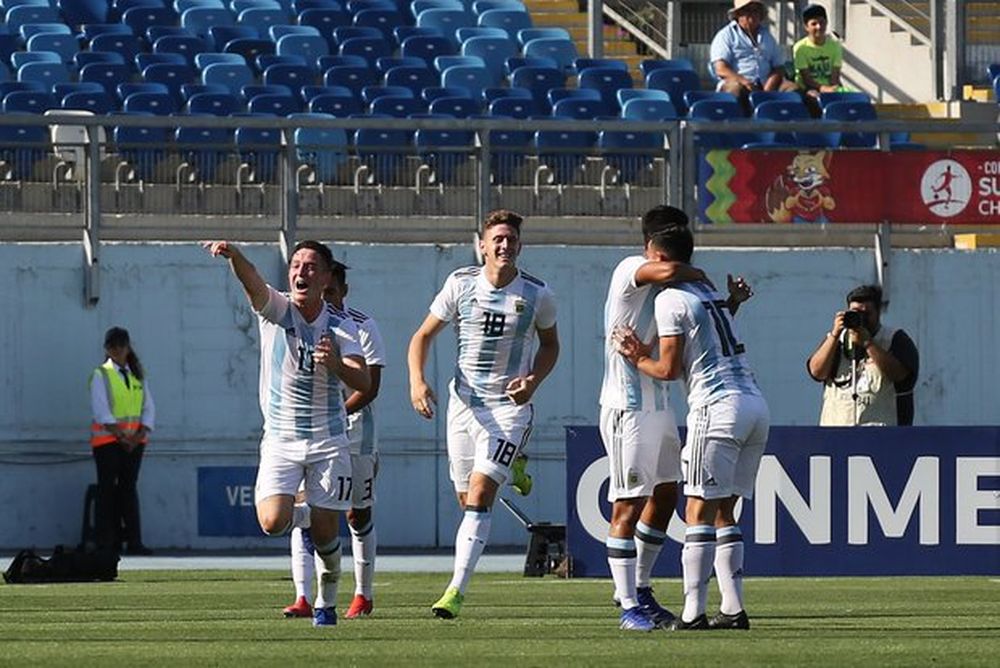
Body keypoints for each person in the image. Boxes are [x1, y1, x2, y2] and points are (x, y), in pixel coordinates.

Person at [599, 205, 753, 631]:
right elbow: (667, 273)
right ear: (651, 247)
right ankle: (627, 604)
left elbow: (700, 334)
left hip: (659, 404)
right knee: (626, 505)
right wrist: (699, 274)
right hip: (626, 406)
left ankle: (642, 587)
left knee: (666, 495)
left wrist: (730, 304)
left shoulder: (675, 293)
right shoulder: (633, 268)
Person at [205, 239, 370, 628]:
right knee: (272, 522)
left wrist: (337, 366)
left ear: (327, 278)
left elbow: (363, 380)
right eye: (296, 265)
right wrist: (235, 256)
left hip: (328, 441)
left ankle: (326, 603)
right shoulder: (278, 311)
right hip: (281, 440)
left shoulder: (341, 326)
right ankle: (315, 509)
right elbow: (253, 284)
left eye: (311, 267)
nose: (301, 272)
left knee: (328, 536)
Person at [407, 209, 559, 619]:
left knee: (479, 496)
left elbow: (550, 346)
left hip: (508, 409)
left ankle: (455, 591)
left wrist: (533, 381)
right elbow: (421, 337)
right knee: (465, 498)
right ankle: (517, 465)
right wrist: (417, 381)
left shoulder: (537, 294)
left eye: (511, 239)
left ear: (519, 246)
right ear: (482, 246)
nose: (504, 245)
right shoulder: (460, 285)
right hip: (463, 407)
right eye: (497, 239)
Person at [282, 261, 387, 620]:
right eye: (321, 291)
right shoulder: (297, 322)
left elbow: (370, 386)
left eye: (331, 293)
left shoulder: (361, 325)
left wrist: (338, 413)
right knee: (306, 507)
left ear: (342, 291)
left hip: (357, 435)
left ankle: (363, 593)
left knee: (358, 514)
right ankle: (302, 596)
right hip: (313, 434)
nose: (325, 298)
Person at [806, 284, 919, 426]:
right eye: (855, 313)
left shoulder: (894, 339)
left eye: (866, 314)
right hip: (835, 436)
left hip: (882, 437)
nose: (861, 319)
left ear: (878, 312)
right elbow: (816, 372)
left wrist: (868, 344)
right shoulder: (836, 341)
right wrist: (834, 335)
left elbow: (900, 376)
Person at [89, 326, 156, 555]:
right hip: (107, 442)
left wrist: (138, 436)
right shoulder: (101, 374)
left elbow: (148, 408)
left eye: (121, 346)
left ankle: (134, 541)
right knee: (106, 491)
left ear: (128, 348)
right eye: (113, 347)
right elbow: (101, 411)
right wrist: (122, 436)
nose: (117, 351)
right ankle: (105, 543)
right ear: (107, 349)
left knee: (128, 490)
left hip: (134, 443)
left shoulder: (137, 374)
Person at [709, 0, 798, 112]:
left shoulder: (767, 37)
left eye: (756, 10)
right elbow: (721, 69)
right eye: (748, 10)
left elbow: (779, 67)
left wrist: (768, 88)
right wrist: (744, 81)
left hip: (766, 84)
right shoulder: (725, 36)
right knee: (735, 89)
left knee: (793, 89)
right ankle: (737, 126)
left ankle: (787, 127)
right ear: (738, 14)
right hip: (738, 82)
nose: (753, 14)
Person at [793, 4, 847, 116]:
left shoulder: (835, 46)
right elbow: (806, 80)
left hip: (830, 87)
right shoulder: (800, 48)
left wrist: (833, 89)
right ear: (806, 27)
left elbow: (835, 76)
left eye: (822, 22)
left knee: (857, 98)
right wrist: (824, 89)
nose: (819, 27)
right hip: (808, 89)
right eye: (814, 24)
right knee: (815, 99)